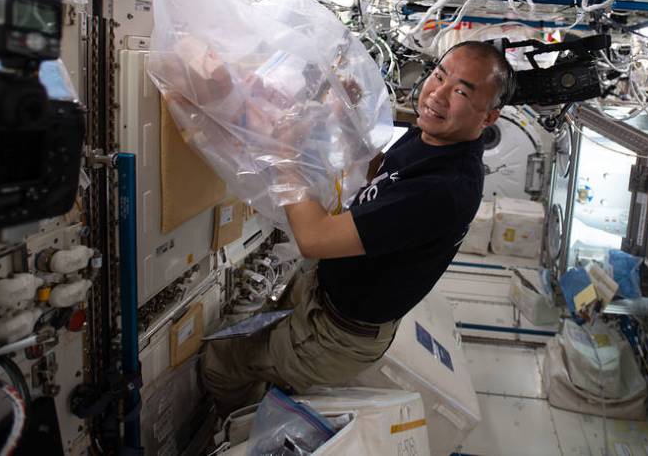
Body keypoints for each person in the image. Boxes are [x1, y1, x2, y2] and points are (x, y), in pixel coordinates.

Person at [200, 40, 514, 416]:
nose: (438, 95)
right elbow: (381, 171)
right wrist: (345, 116)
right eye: (438, 75)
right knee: (249, 339)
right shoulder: (433, 138)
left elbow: (314, 239)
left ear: (489, 117)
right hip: (326, 295)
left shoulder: (444, 189)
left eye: (461, 91)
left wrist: (284, 157)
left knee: (221, 363)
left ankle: (236, 429)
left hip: (335, 336)